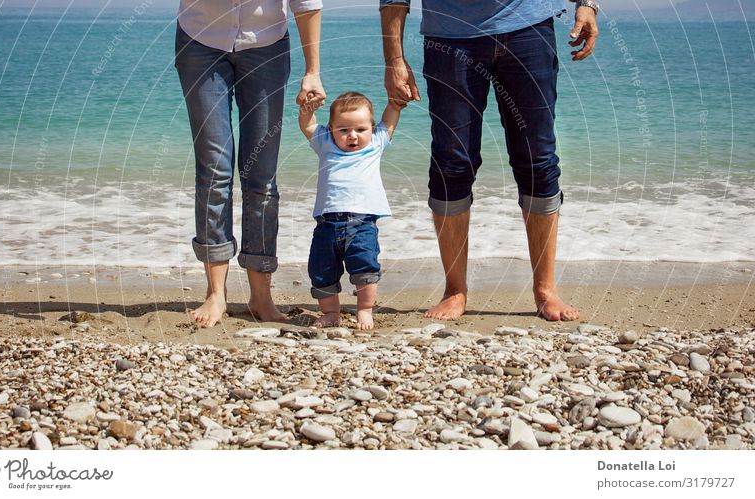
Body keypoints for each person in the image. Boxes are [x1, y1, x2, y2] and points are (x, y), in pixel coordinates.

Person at [380, 0, 600, 321]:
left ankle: (545, 290)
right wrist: (395, 59)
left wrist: (587, 5)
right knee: (452, 163)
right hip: (450, 38)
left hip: (529, 28)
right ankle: (455, 290)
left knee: (538, 160)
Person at [175, 0, 326, 327]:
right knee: (214, 170)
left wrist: (312, 71)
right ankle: (216, 293)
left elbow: (307, 2)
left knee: (262, 175)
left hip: (267, 46)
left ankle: (261, 295)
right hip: (200, 39)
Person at [298, 92, 402, 329]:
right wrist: (307, 109)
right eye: (343, 130)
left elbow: (390, 120)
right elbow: (309, 125)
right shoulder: (324, 143)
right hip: (327, 223)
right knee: (321, 270)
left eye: (360, 130)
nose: (352, 136)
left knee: (365, 267)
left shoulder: (376, 143)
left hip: (363, 223)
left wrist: (395, 103)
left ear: (371, 129)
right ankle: (331, 312)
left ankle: (364, 309)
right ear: (331, 129)